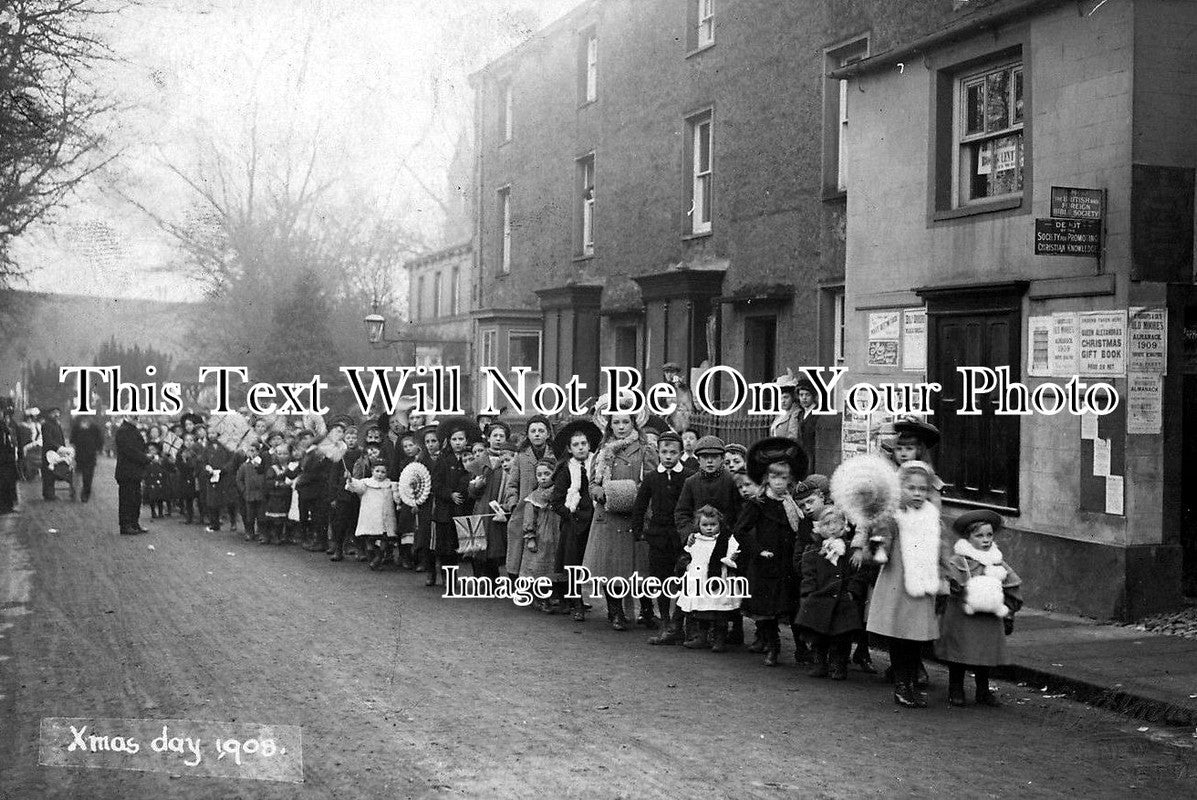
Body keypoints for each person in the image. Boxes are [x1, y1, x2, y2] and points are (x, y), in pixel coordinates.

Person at [864, 460, 946, 708]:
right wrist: (878, 547)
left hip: (922, 584)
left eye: (923, 489)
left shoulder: (932, 516)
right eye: (912, 488)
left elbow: (940, 546)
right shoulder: (894, 515)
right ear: (901, 489)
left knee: (916, 637)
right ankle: (902, 684)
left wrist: (945, 571)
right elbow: (879, 536)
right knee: (900, 636)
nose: (918, 494)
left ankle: (910, 681)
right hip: (898, 583)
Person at [936, 509, 1023, 707]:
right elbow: (948, 580)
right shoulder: (959, 561)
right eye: (979, 535)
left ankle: (983, 690)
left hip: (988, 618)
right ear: (968, 537)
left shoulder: (997, 561)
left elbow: (1012, 584)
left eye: (989, 535)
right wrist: (954, 586)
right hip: (962, 616)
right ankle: (955, 688)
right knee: (959, 652)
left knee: (984, 652)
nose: (985, 540)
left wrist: (1009, 610)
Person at [582, 403, 657, 631]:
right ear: (609, 425)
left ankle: (646, 611)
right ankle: (615, 612)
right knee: (611, 565)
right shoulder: (603, 452)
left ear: (634, 423)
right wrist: (600, 493)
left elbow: (651, 480)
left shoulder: (645, 450)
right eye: (616, 422)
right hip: (609, 515)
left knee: (640, 565)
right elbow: (593, 482)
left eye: (626, 422)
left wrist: (633, 495)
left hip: (636, 514)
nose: (621, 427)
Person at [736, 436, 807, 666]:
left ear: (790, 479)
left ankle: (801, 648)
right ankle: (773, 647)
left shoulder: (793, 505)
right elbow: (741, 531)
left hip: (788, 563)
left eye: (783, 477)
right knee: (766, 610)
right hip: (766, 562)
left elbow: (802, 530)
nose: (778, 482)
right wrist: (758, 551)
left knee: (792, 607)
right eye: (774, 476)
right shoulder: (758, 503)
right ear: (766, 478)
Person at [630, 431, 696, 643]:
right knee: (661, 581)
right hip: (658, 536)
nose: (668, 456)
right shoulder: (651, 478)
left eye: (673, 452)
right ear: (658, 452)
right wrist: (638, 530)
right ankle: (666, 623)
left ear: (680, 453)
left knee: (684, 581)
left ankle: (681, 624)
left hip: (681, 536)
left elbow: (693, 505)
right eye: (664, 452)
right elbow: (640, 506)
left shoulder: (687, 476)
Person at [795, 506, 868, 680]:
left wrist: (852, 592)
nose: (833, 528)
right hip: (820, 598)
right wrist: (808, 594)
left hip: (842, 600)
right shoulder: (812, 551)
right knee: (818, 634)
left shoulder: (850, 551)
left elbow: (858, 574)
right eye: (827, 524)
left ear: (845, 526)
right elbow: (808, 575)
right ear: (819, 527)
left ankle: (838, 663)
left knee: (842, 635)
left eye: (837, 524)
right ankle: (819, 661)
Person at [550, 419, 601, 622]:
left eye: (584, 444)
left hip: (595, 521)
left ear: (589, 446)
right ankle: (576, 602)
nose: (581, 448)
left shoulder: (596, 466)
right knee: (573, 565)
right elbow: (556, 501)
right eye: (576, 445)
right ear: (570, 450)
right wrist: (570, 516)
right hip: (574, 524)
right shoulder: (566, 469)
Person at [676, 505, 741, 652]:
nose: (709, 528)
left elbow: (734, 552)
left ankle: (719, 640)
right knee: (701, 610)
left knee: (719, 611)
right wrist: (688, 567)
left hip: (719, 580)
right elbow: (687, 554)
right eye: (705, 525)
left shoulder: (726, 539)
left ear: (720, 524)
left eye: (713, 524)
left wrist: (732, 557)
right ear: (698, 525)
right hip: (700, 581)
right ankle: (702, 637)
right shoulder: (695, 540)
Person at [507, 415, 554, 581]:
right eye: (533, 431)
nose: (537, 434)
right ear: (528, 434)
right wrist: (513, 504)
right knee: (519, 554)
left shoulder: (555, 454)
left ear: (548, 434)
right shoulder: (521, 456)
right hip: (523, 511)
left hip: (547, 512)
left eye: (541, 431)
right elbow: (512, 484)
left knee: (542, 554)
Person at [428, 420, 472, 586]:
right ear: (449, 441)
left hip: (463, 507)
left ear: (466, 441)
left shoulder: (470, 459)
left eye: (461, 439)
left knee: (457, 544)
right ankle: (448, 576)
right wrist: (449, 494)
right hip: (446, 509)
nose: (458, 443)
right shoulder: (444, 460)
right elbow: (436, 483)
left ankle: (456, 575)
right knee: (445, 546)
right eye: (454, 439)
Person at [519, 458, 564, 613]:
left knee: (554, 565)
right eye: (539, 474)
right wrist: (530, 537)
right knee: (538, 567)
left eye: (547, 473)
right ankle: (540, 598)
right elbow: (529, 519)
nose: (543, 477)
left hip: (556, 533)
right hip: (541, 536)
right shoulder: (533, 497)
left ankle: (555, 596)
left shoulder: (559, 493)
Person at [348, 459, 401, 570]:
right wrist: (350, 479)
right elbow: (356, 488)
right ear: (372, 471)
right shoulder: (366, 483)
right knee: (370, 539)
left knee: (384, 538)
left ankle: (378, 558)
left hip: (384, 516)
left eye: (383, 472)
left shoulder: (389, 484)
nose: (380, 474)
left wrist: (397, 494)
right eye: (377, 471)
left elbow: (397, 498)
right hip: (370, 516)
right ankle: (373, 560)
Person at [114, 414, 150, 535]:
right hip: (126, 471)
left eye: (137, 416)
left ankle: (134, 523)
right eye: (133, 416)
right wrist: (145, 458)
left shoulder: (132, 429)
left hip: (134, 471)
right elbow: (129, 450)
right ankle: (125, 525)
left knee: (135, 499)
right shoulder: (123, 431)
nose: (136, 418)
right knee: (127, 499)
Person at [70, 414, 103, 502]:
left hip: (90, 456)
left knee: (88, 476)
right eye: (83, 417)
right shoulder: (76, 427)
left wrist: (97, 449)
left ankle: (85, 494)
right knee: (77, 474)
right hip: (79, 455)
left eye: (87, 417)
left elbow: (100, 440)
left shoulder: (95, 428)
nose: (86, 419)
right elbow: (72, 440)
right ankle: (74, 492)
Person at [40, 407, 65, 500]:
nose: (57, 415)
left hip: (56, 452)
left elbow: (61, 438)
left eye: (58, 413)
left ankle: (50, 493)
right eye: (54, 413)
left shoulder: (57, 425)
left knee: (52, 472)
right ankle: (48, 494)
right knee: (48, 473)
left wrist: (63, 448)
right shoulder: (46, 424)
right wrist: (59, 447)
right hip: (48, 452)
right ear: (49, 414)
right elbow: (48, 440)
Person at [0, 400, 19, 514]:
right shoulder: (3, 427)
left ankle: (7, 506)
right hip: (3, 461)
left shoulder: (5, 426)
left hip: (7, 461)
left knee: (7, 484)